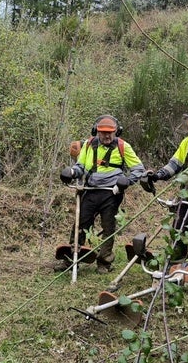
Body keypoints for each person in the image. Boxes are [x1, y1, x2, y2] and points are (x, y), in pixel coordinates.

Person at [58, 115, 145, 274]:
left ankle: (104, 262)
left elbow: (139, 169)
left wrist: (126, 181)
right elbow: (81, 167)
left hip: (111, 194)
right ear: (96, 131)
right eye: (103, 132)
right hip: (90, 191)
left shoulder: (123, 146)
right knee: (80, 224)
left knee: (108, 227)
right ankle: (71, 260)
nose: (106, 136)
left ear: (116, 131)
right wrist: (71, 172)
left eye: (110, 132)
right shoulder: (89, 145)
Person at [140, 104, 188, 263]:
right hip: (185, 193)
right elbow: (174, 164)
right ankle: (176, 264)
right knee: (178, 228)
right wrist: (158, 175)